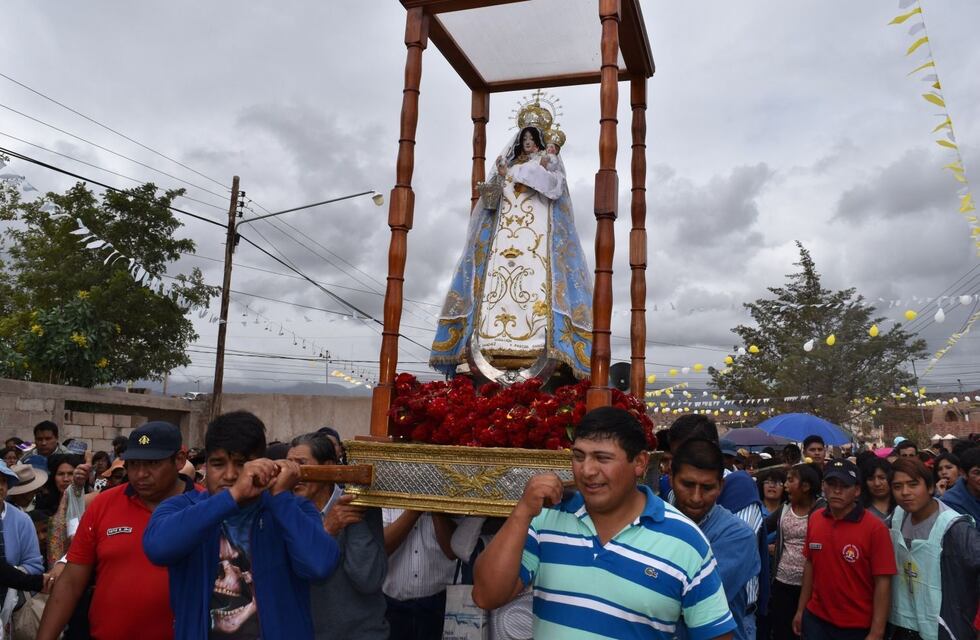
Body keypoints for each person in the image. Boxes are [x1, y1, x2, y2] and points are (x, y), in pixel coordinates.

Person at [472, 406, 736, 639]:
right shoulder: (548, 518)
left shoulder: (686, 541)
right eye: (579, 456)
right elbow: (486, 595)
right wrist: (522, 512)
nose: (587, 470)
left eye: (602, 458)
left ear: (640, 463)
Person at [430, 98, 594, 380]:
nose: (528, 142)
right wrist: (499, 179)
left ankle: (542, 343)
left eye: (533, 138)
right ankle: (489, 342)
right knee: (494, 283)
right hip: (504, 237)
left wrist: (523, 172)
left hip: (537, 235)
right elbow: (492, 200)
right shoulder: (508, 165)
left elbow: (552, 190)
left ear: (540, 141)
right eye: (525, 138)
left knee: (535, 280)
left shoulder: (547, 164)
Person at [143, 410, 338, 639]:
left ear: (263, 464)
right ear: (205, 466)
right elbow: (157, 548)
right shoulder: (180, 508)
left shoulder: (293, 509)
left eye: (241, 464)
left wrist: (281, 498)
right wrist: (232, 497)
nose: (230, 474)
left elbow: (319, 565)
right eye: (218, 464)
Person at [36, 421, 198, 640]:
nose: (141, 474)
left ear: (179, 460)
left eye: (152, 463)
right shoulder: (103, 505)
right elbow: (71, 583)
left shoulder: (205, 507)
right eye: (133, 464)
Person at [665, 414, 769, 635]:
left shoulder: (737, 534)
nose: (695, 497)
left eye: (706, 487)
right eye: (679, 456)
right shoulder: (654, 517)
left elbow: (694, 602)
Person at [287, 433, 388, 640]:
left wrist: (353, 504)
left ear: (329, 467)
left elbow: (368, 580)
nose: (295, 474)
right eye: (289, 465)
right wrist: (327, 530)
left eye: (302, 464)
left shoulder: (357, 505)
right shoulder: (284, 511)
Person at [792, 459, 896, 640]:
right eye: (831, 484)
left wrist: (877, 632)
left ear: (857, 491)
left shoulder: (875, 529)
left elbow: (883, 582)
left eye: (844, 486)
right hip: (816, 619)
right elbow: (810, 564)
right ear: (823, 486)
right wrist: (801, 609)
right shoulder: (815, 519)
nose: (837, 491)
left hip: (856, 626)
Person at [886, 457, 979, 640]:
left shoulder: (954, 527)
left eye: (913, 485)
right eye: (897, 487)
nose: (905, 492)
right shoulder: (897, 517)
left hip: (944, 627)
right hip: (903, 624)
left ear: (930, 487)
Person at [766, 463, 823, 640]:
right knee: (783, 632)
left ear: (805, 486)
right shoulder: (784, 509)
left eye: (790, 480)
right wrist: (767, 547)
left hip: (813, 587)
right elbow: (762, 529)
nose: (785, 485)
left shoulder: (823, 510)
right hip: (782, 583)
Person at [382, 507, 457, 639]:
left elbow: (452, 551)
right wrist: (413, 511)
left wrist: (433, 505)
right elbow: (381, 549)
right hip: (393, 606)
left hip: (440, 604)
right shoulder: (388, 490)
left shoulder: (446, 492)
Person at [0, 461, 45, 632]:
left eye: (3, 481)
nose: (0, 487)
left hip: (13, 607)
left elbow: (34, 565)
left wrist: (13, 576)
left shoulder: (21, 520)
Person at [939, 445, 980, 525]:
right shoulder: (949, 503)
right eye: (977, 473)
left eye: (948, 467)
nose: (944, 472)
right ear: (964, 474)